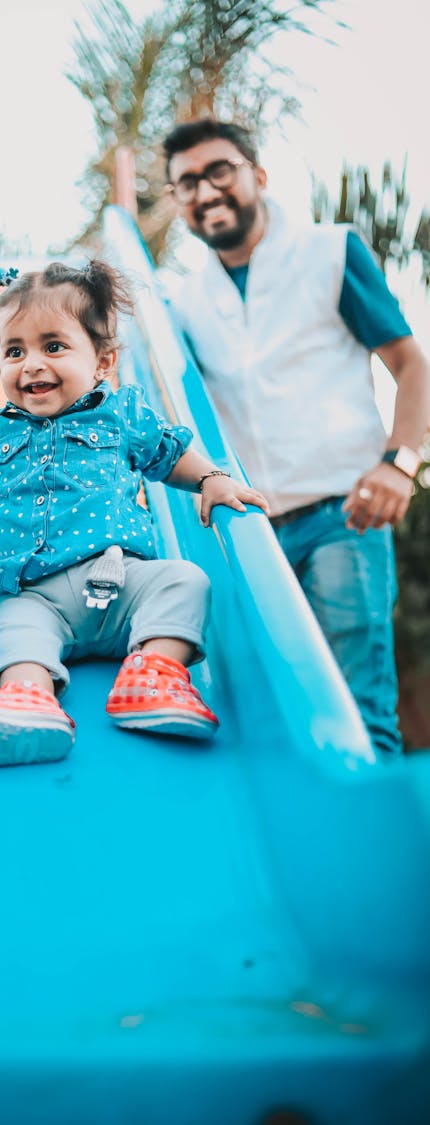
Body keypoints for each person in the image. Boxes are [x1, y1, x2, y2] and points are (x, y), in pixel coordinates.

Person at [0, 260, 269, 768]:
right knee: (13, 621)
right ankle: (28, 698)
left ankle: (154, 673)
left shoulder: (121, 412)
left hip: (122, 579)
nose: (31, 364)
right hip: (41, 594)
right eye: (14, 351)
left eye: (53, 346)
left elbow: (169, 453)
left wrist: (212, 479)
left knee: (185, 581)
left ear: (103, 360)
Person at [161, 118, 430, 755]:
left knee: (356, 707)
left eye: (218, 170)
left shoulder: (330, 251)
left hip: (343, 514)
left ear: (257, 174)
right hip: (246, 533)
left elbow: (411, 364)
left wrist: (400, 462)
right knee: (267, 717)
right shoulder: (184, 302)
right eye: (186, 183)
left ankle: (375, 851)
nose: (204, 191)